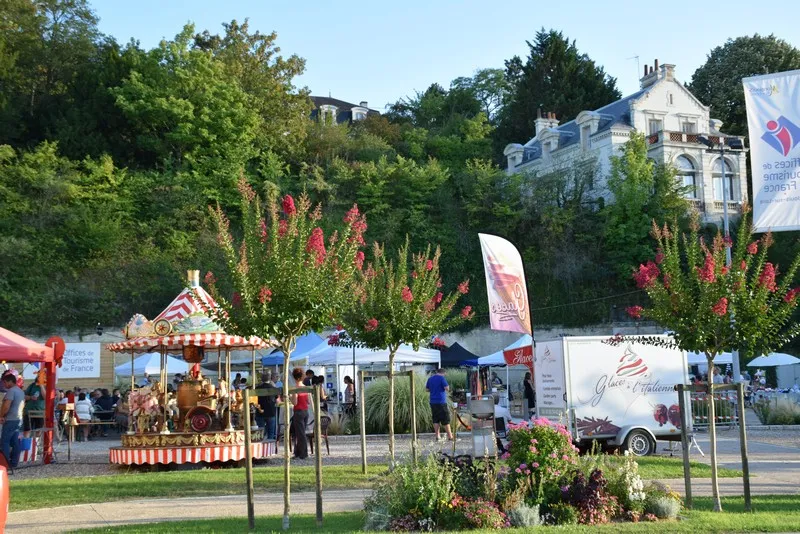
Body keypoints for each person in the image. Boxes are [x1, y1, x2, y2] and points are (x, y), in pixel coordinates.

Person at [0, 373, 25, 469]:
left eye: (5, 382)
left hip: (10, 419)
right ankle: (14, 463)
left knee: (5, 442)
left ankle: (4, 464)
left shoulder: (11, 391)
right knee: (15, 442)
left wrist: (1, 415)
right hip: (18, 419)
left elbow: (6, 406)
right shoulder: (20, 391)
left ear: (10, 381)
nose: (4, 385)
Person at [426, 368, 453, 441]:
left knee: (436, 419)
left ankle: (437, 436)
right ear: (443, 373)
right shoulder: (441, 378)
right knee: (445, 419)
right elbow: (447, 388)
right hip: (441, 401)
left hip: (433, 402)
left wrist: (434, 389)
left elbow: (427, 389)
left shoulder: (430, 378)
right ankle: (450, 437)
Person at [290, 367, 310, 459]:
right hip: (306, 411)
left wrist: (291, 397)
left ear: (294, 377)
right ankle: (298, 452)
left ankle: (303, 454)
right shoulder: (306, 388)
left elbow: (294, 403)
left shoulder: (295, 389)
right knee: (301, 433)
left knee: (300, 434)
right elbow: (309, 401)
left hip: (298, 412)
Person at [256, 372, 277, 441]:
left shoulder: (257, 388)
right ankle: (270, 448)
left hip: (260, 411)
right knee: (271, 432)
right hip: (271, 411)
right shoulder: (273, 388)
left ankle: (261, 446)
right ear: (270, 378)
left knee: (260, 431)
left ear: (261, 379)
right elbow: (276, 398)